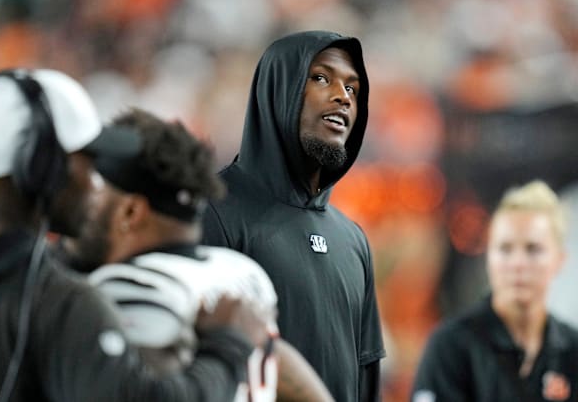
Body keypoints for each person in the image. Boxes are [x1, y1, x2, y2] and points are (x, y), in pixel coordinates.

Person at [0, 68, 269, 402]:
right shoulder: (59, 303)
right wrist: (228, 344)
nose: (94, 182)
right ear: (43, 167)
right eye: (86, 161)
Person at [57, 108, 334, 402]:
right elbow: (278, 359)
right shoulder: (238, 271)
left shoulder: (135, 286)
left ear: (130, 212)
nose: (79, 200)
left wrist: (226, 346)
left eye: (96, 187)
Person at [201, 30, 385, 401]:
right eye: (321, 78)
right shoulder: (212, 212)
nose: (342, 97)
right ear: (277, 88)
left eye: (353, 89)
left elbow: (366, 379)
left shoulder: (352, 239)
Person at [411, 180, 578, 402]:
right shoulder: (451, 347)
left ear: (559, 260)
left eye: (533, 249)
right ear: (488, 258)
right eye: (505, 248)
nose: (518, 263)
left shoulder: (573, 350)